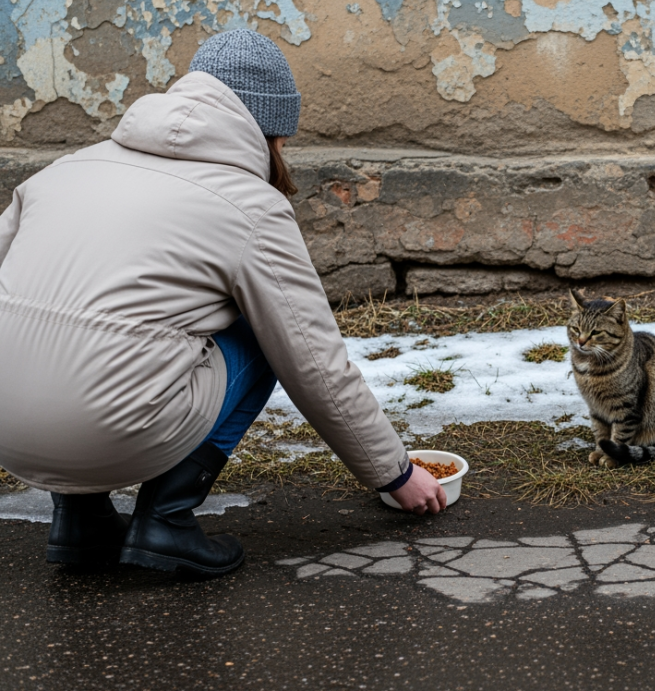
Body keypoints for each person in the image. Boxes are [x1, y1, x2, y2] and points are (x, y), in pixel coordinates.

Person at [0, 30, 446, 578]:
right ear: (271, 131)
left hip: (10, 433)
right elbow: (312, 360)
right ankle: (166, 520)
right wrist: (395, 474)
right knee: (267, 331)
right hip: (112, 428)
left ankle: (80, 519)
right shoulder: (250, 205)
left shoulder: (64, 171)